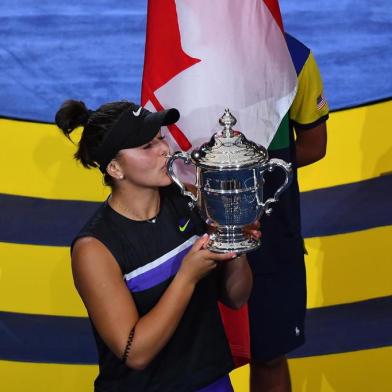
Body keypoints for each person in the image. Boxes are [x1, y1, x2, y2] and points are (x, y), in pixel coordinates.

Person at [55, 99, 258, 392]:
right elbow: (134, 352)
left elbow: (237, 297)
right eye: (146, 146)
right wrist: (187, 276)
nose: (165, 149)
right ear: (115, 168)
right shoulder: (94, 248)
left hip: (212, 382)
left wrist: (233, 239)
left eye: (160, 138)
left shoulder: (190, 199)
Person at [246, 33, 330, 392]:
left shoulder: (294, 57)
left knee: (269, 353)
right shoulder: (176, 45)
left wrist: (251, 180)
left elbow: (313, 145)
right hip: (192, 223)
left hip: (270, 229)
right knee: (188, 360)